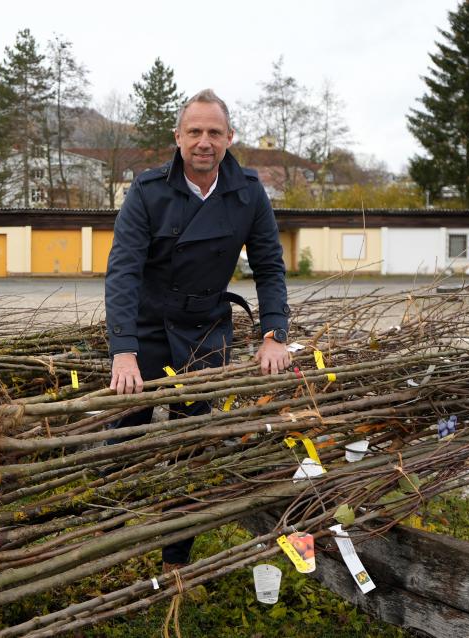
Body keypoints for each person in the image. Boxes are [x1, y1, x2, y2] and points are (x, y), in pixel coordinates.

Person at [104, 88, 290, 569]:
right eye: (194, 132)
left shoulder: (249, 193)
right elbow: (122, 270)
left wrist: (274, 335)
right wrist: (123, 351)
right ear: (178, 137)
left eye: (213, 132)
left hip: (205, 329)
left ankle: (175, 559)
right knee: (126, 430)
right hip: (145, 327)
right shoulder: (147, 191)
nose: (203, 141)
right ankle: (102, 535)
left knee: (192, 444)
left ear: (230, 137)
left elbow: (269, 266)